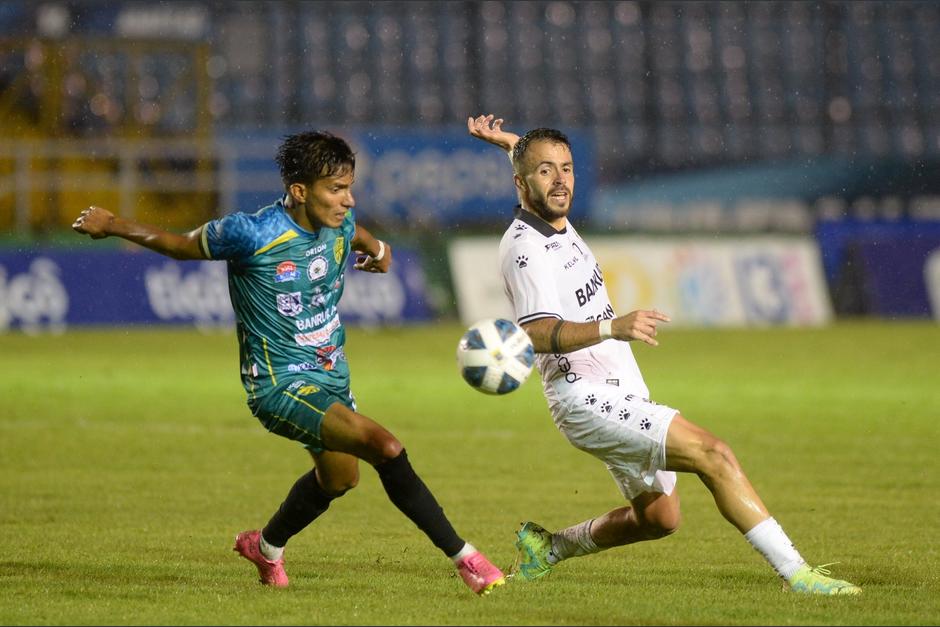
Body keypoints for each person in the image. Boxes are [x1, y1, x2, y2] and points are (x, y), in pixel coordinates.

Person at [72, 130, 505, 596]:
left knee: (340, 479)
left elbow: (356, 233)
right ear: (300, 191)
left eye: (349, 187)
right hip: (278, 384)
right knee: (386, 448)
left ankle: (266, 546)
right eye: (335, 190)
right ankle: (466, 559)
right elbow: (180, 245)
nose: (348, 200)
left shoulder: (338, 221)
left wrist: (379, 250)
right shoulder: (251, 233)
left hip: (331, 375)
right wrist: (112, 223)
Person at [466, 114, 861, 595]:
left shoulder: (552, 217)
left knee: (659, 518)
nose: (560, 180)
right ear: (521, 182)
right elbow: (538, 332)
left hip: (620, 386)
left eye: (566, 168)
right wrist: (614, 327)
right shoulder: (526, 250)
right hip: (585, 398)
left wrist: (512, 143)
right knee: (715, 455)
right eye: (546, 171)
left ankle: (549, 548)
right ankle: (797, 575)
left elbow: (533, 164)